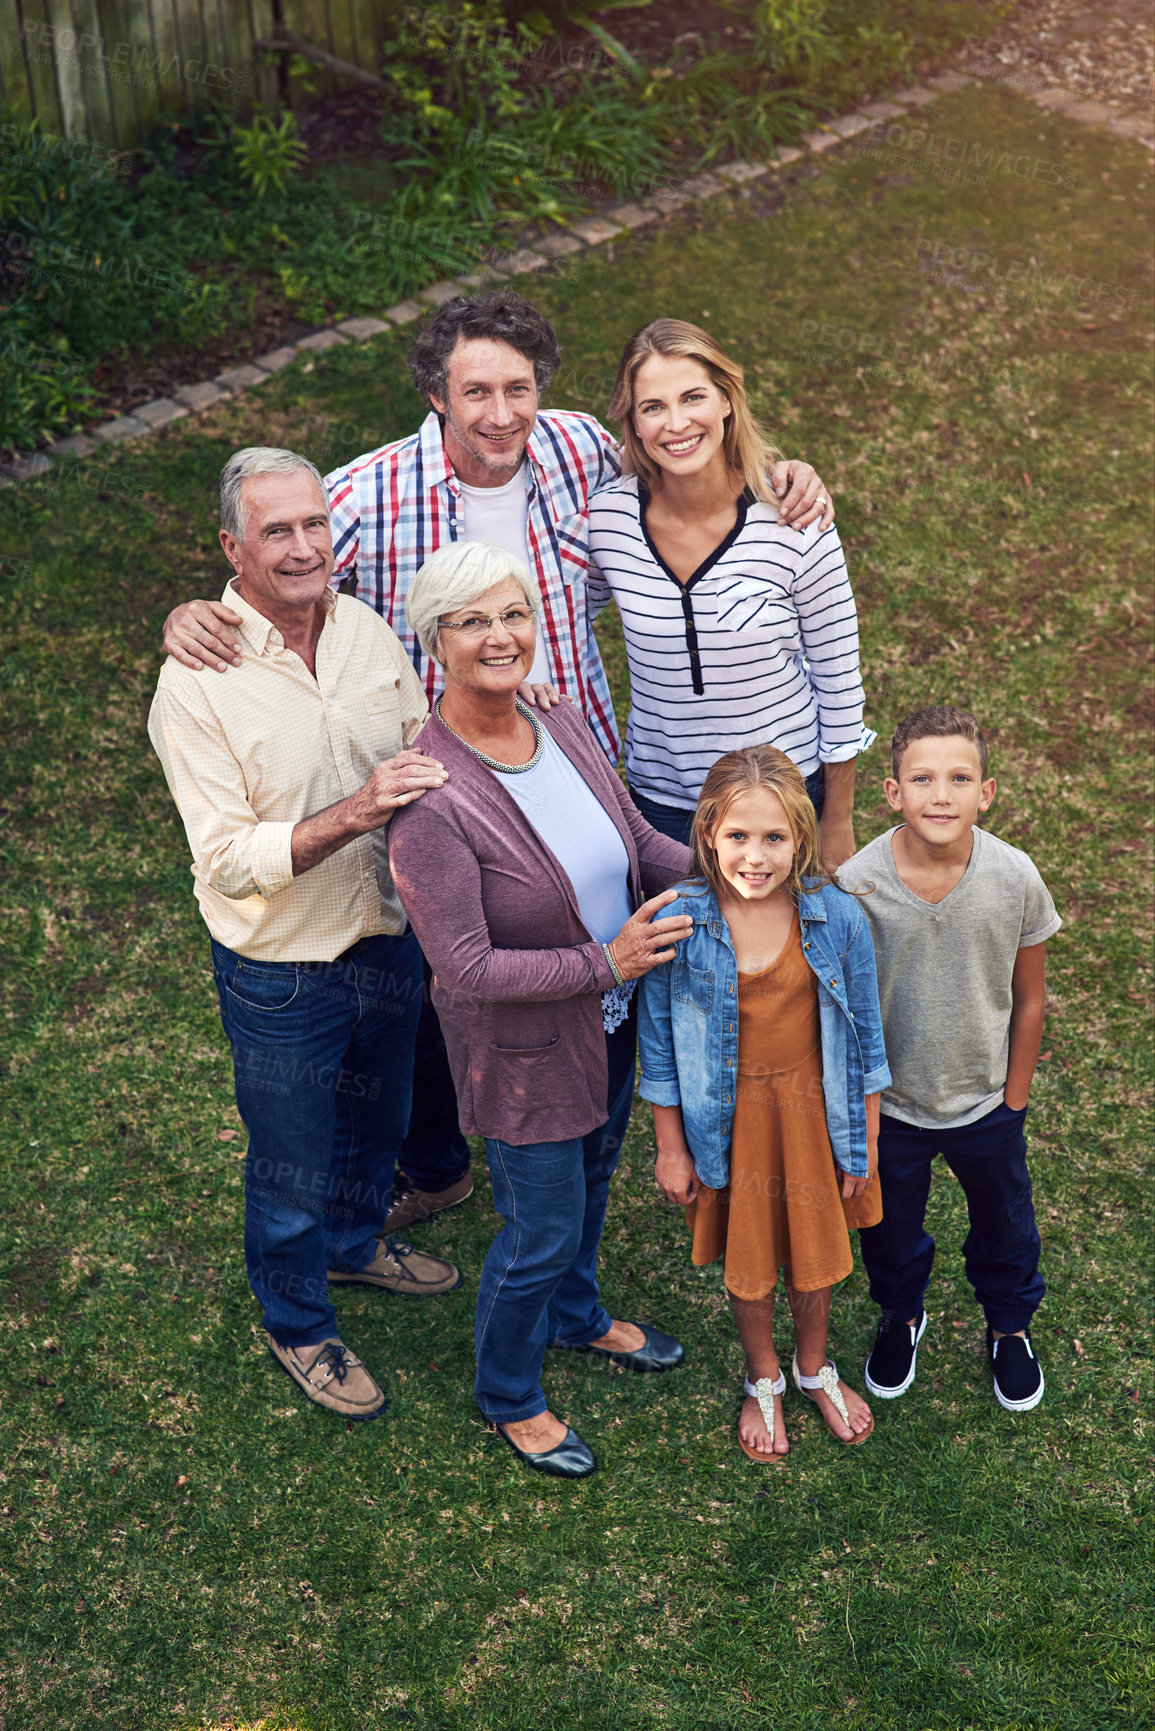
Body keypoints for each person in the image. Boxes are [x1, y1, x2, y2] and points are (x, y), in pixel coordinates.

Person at [158, 291, 834, 1235]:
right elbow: (284, 564)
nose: (499, 414)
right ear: (437, 393)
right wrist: (197, 613)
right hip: (458, 775)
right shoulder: (366, 492)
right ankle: (441, 1164)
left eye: (518, 388)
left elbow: (688, 458)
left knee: (603, 939)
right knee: (452, 980)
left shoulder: (577, 449)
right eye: (476, 390)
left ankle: (601, 1129)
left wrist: (780, 472)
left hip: (577, 744)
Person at [147, 447, 461, 1425]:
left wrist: (506, 706)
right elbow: (227, 861)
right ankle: (296, 1319)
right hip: (282, 969)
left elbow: (426, 746)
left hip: (384, 936)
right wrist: (354, 814)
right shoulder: (194, 686)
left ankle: (357, 1242)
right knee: (290, 1162)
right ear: (233, 550)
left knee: (378, 1124)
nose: (302, 546)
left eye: (314, 524)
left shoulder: (367, 630)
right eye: (275, 531)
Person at [388, 541, 694, 1480]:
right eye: (472, 620)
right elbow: (465, 967)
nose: (499, 636)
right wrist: (604, 962)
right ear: (434, 640)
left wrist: (740, 875)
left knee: (594, 1179)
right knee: (539, 1227)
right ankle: (510, 1392)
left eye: (512, 613)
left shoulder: (556, 722)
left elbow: (637, 841)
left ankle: (575, 1315)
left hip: (608, 1025)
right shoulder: (430, 796)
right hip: (521, 1050)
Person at [639, 746, 890, 1461]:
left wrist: (863, 1146)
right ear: (708, 834)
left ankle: (813, 1366)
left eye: (774, 837)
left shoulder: (834, 917)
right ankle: (763, 1375)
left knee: (813, 1254)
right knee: (749, 1258)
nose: (755, 856)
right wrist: (669, 1146)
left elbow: (866, 1041)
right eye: (738, 836)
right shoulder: (680, 921)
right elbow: (656, 1049)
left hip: (813, 1117)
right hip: (728, 1122)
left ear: (801, 839)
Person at [588, 318, 871, 867]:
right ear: (634, 423)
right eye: (653, 407)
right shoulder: (608, 520)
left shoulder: (795, 517)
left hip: (782, 801)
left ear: (726, 400)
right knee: (685, 952)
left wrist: (837, 821)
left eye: (693, 397)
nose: (676, 424)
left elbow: (839, 684)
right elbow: (561, 616)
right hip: (661, 809)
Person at [841, 706, 1061, 1413]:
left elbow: (1029, 999)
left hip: (985, 1102)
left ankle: (1007, 1326)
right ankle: (900, 1315)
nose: (941, 794)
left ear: (985, 792)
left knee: (1004, 1224)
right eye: (922, 778)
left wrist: (1014, 1097)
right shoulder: (855, 883)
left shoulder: (1014, 877)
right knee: (889, 1231)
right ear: (892, 792)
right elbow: (842, 1010)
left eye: (958, 778)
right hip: (892, 1107)